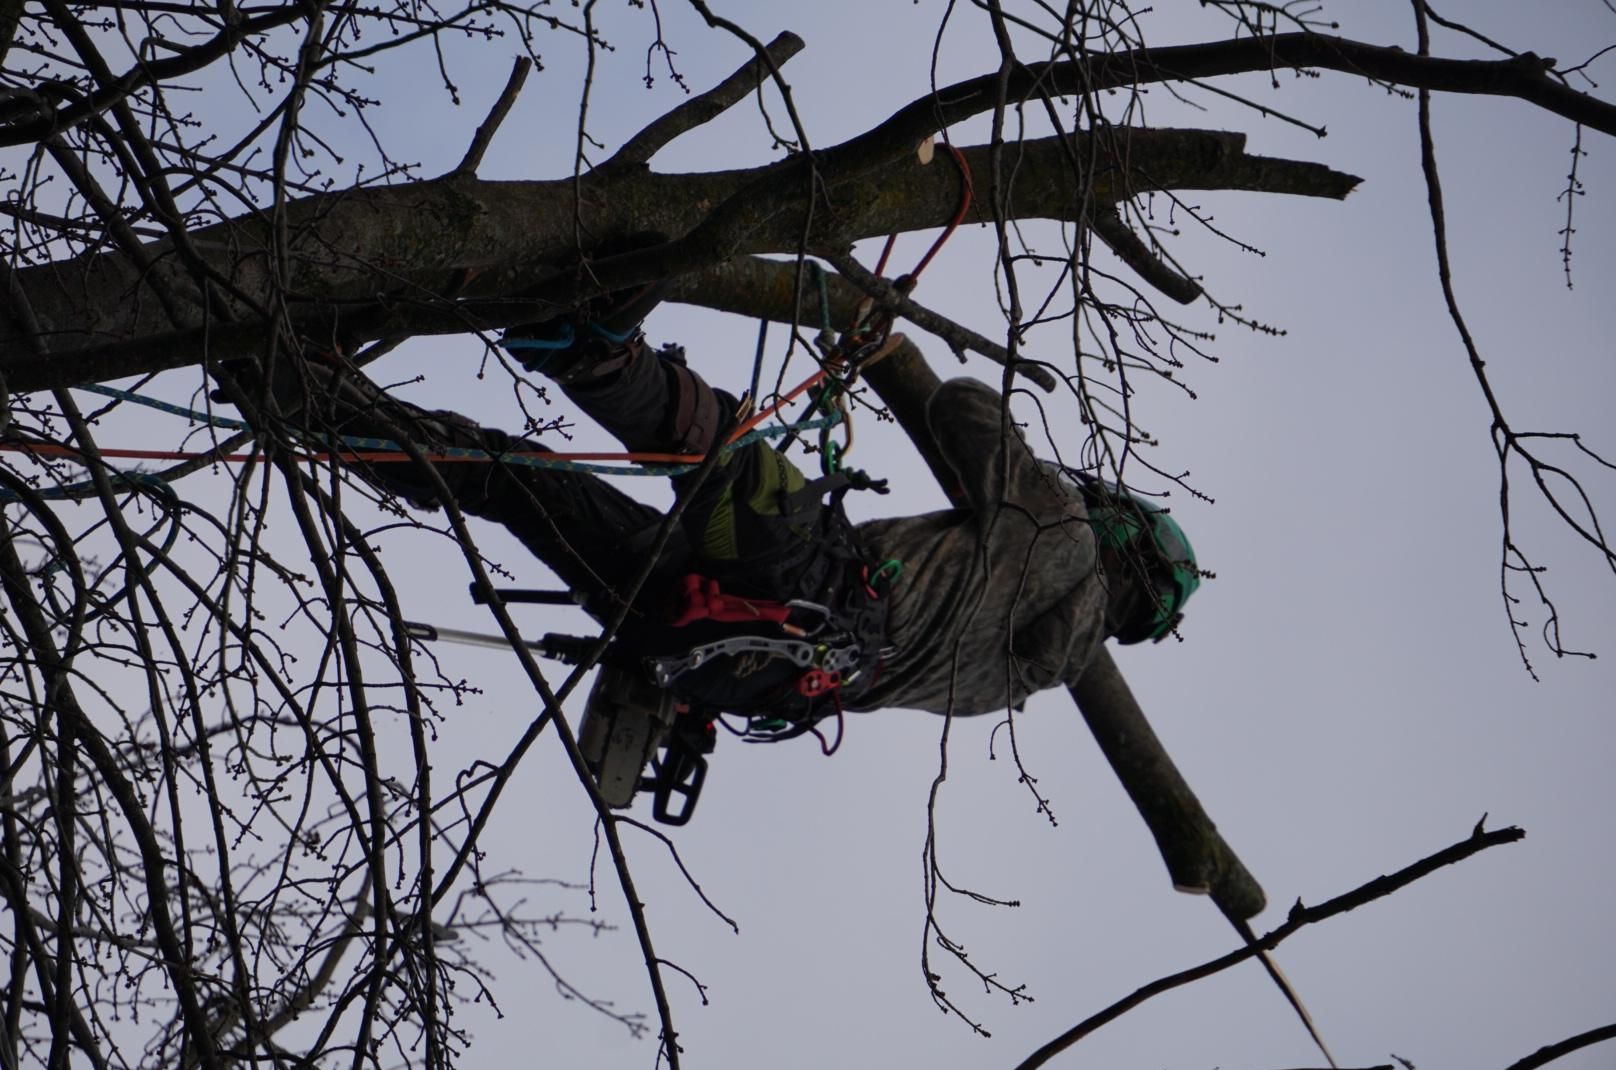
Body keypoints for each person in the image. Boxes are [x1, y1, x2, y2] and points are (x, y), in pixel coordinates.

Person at [274, 276, 1199, 817]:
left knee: (720, 452)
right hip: (726, 655)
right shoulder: (1006, 690)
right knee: (516, 482)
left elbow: (962, 409)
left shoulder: (1065, 536)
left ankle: (589, 348)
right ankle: (310, 405)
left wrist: (987, 472)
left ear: (1124, 534)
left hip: (801, 577)